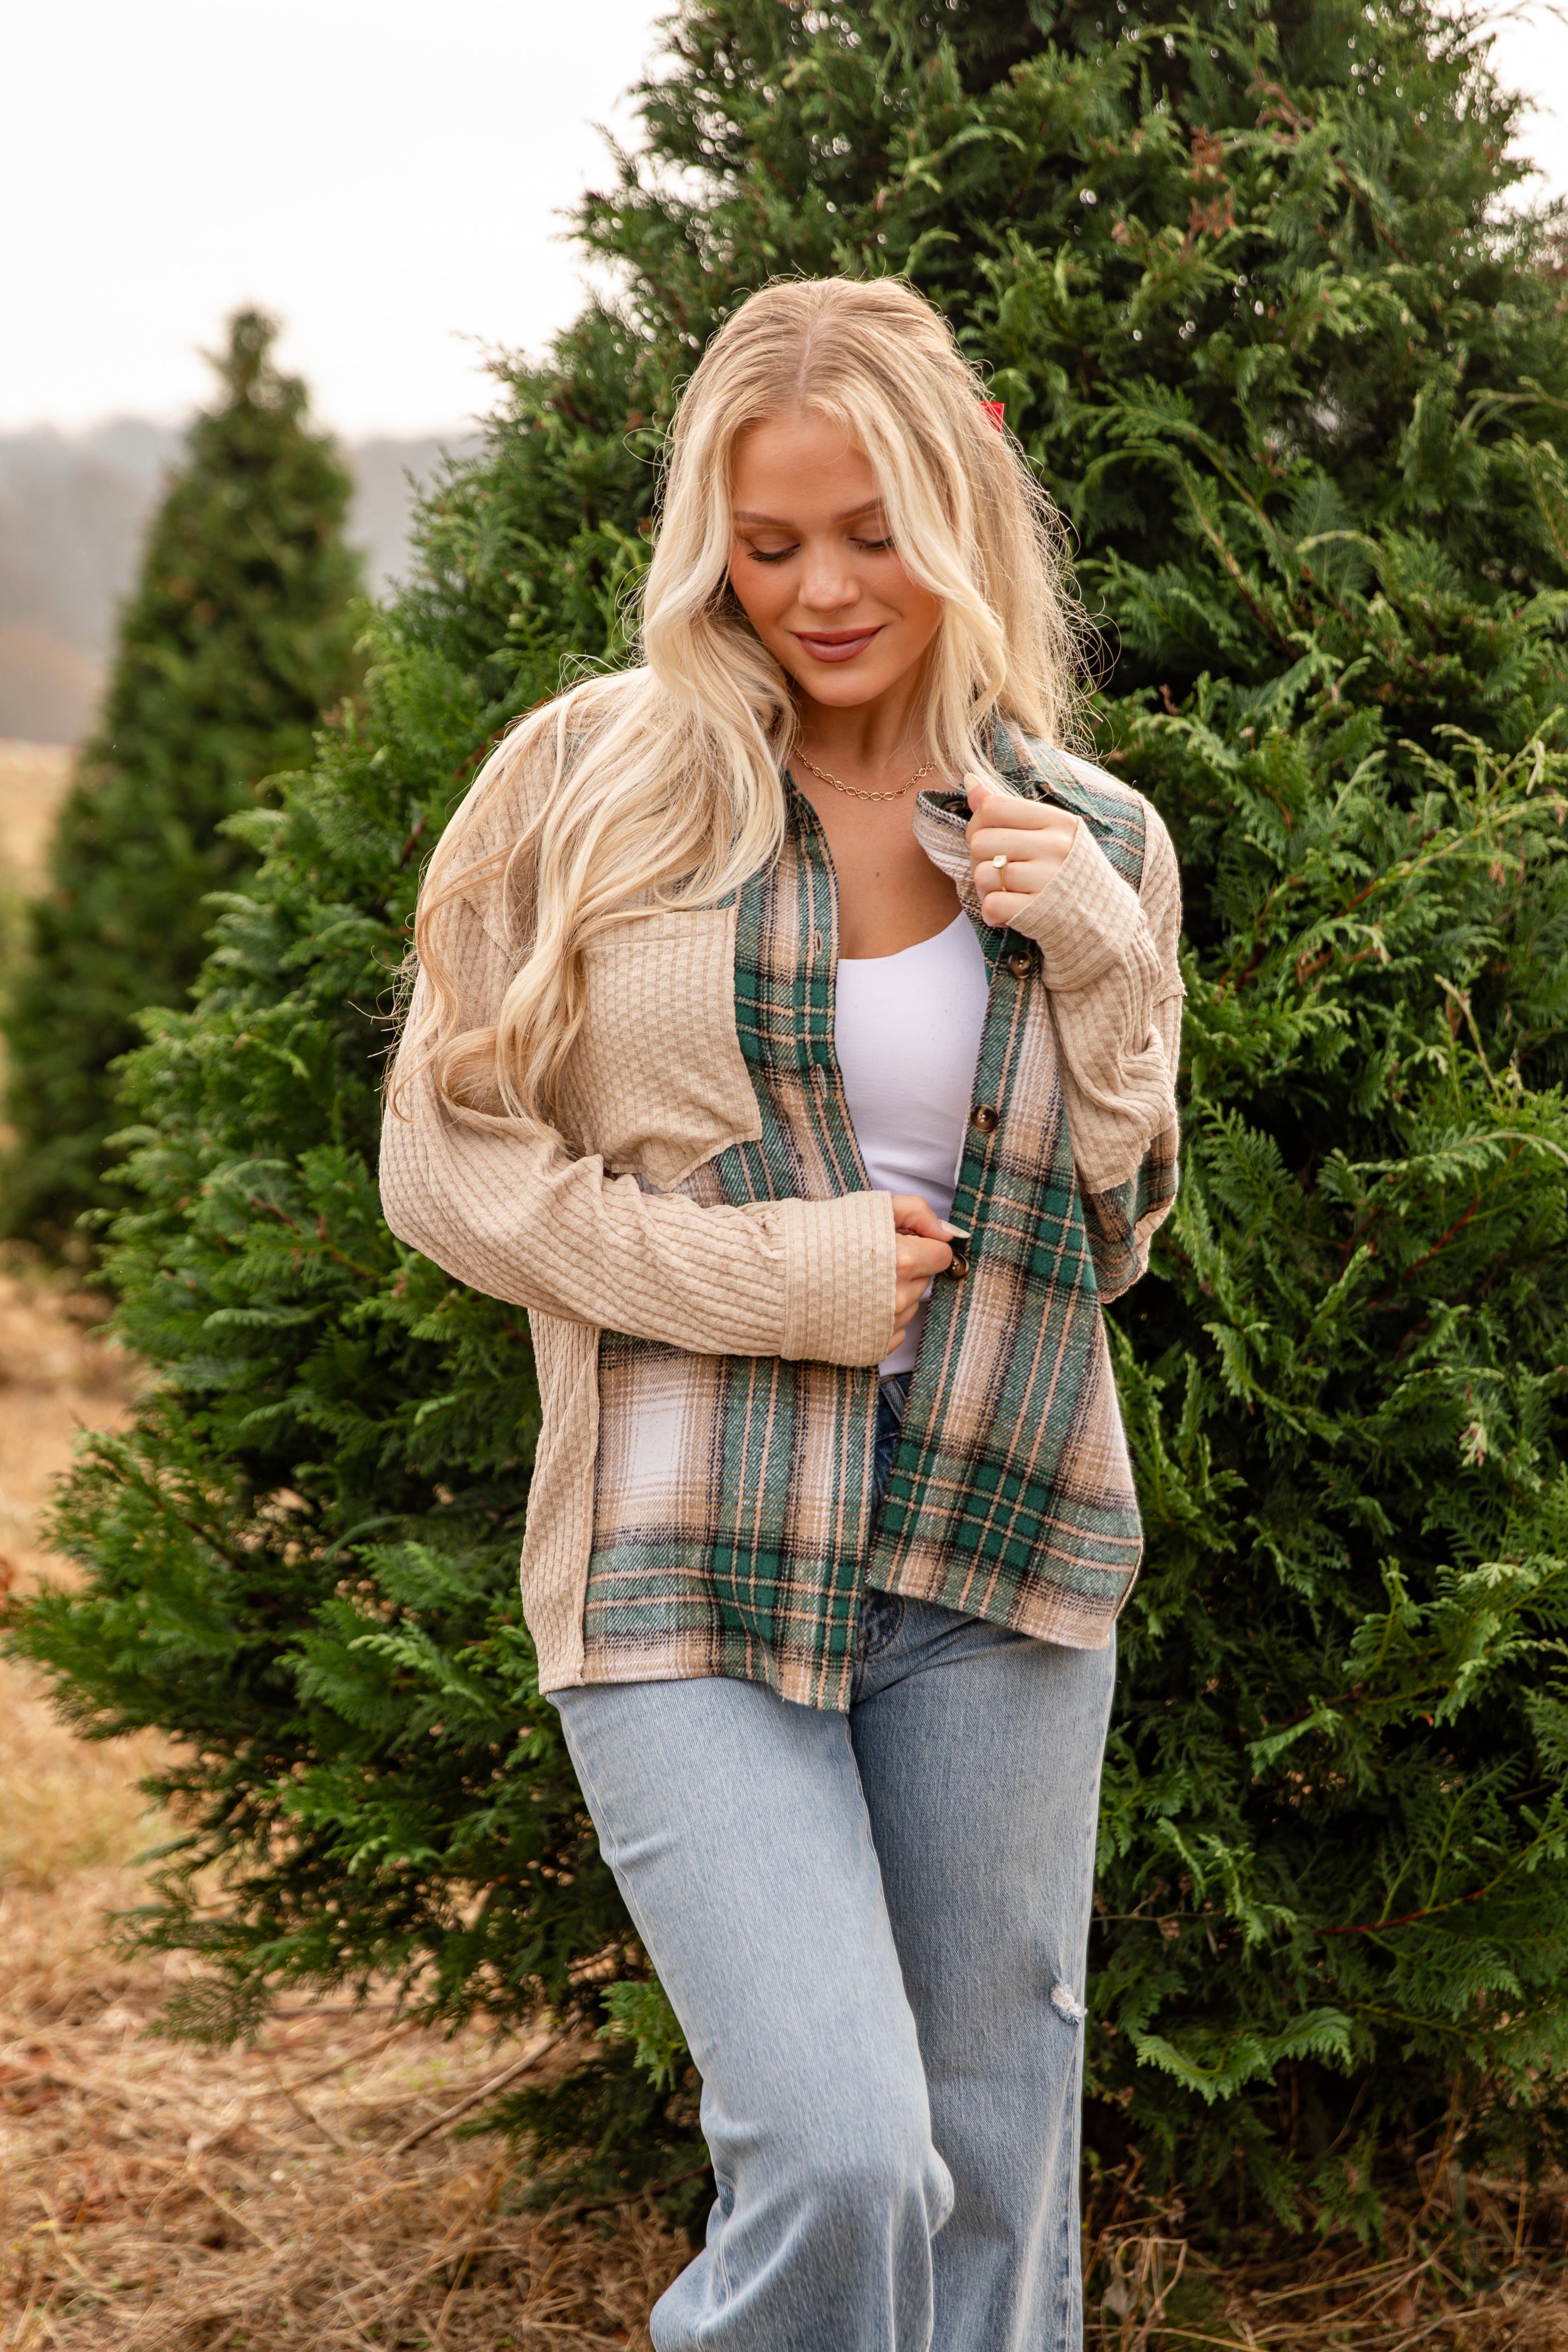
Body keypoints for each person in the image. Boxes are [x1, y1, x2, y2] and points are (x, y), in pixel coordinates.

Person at [381, 274, 1182, 2352]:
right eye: (766, 544)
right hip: (680, 1541)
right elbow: (443, 1163)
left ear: (957, 515)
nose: (820, 590)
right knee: (839, 2147)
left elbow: (1112, 1228)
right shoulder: (588, 785)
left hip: (997, 1539)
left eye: (865, 534)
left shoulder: (1088, 837)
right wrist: (764, 1279)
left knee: (995, 2162)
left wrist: (1103, 959)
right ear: (705, 547)